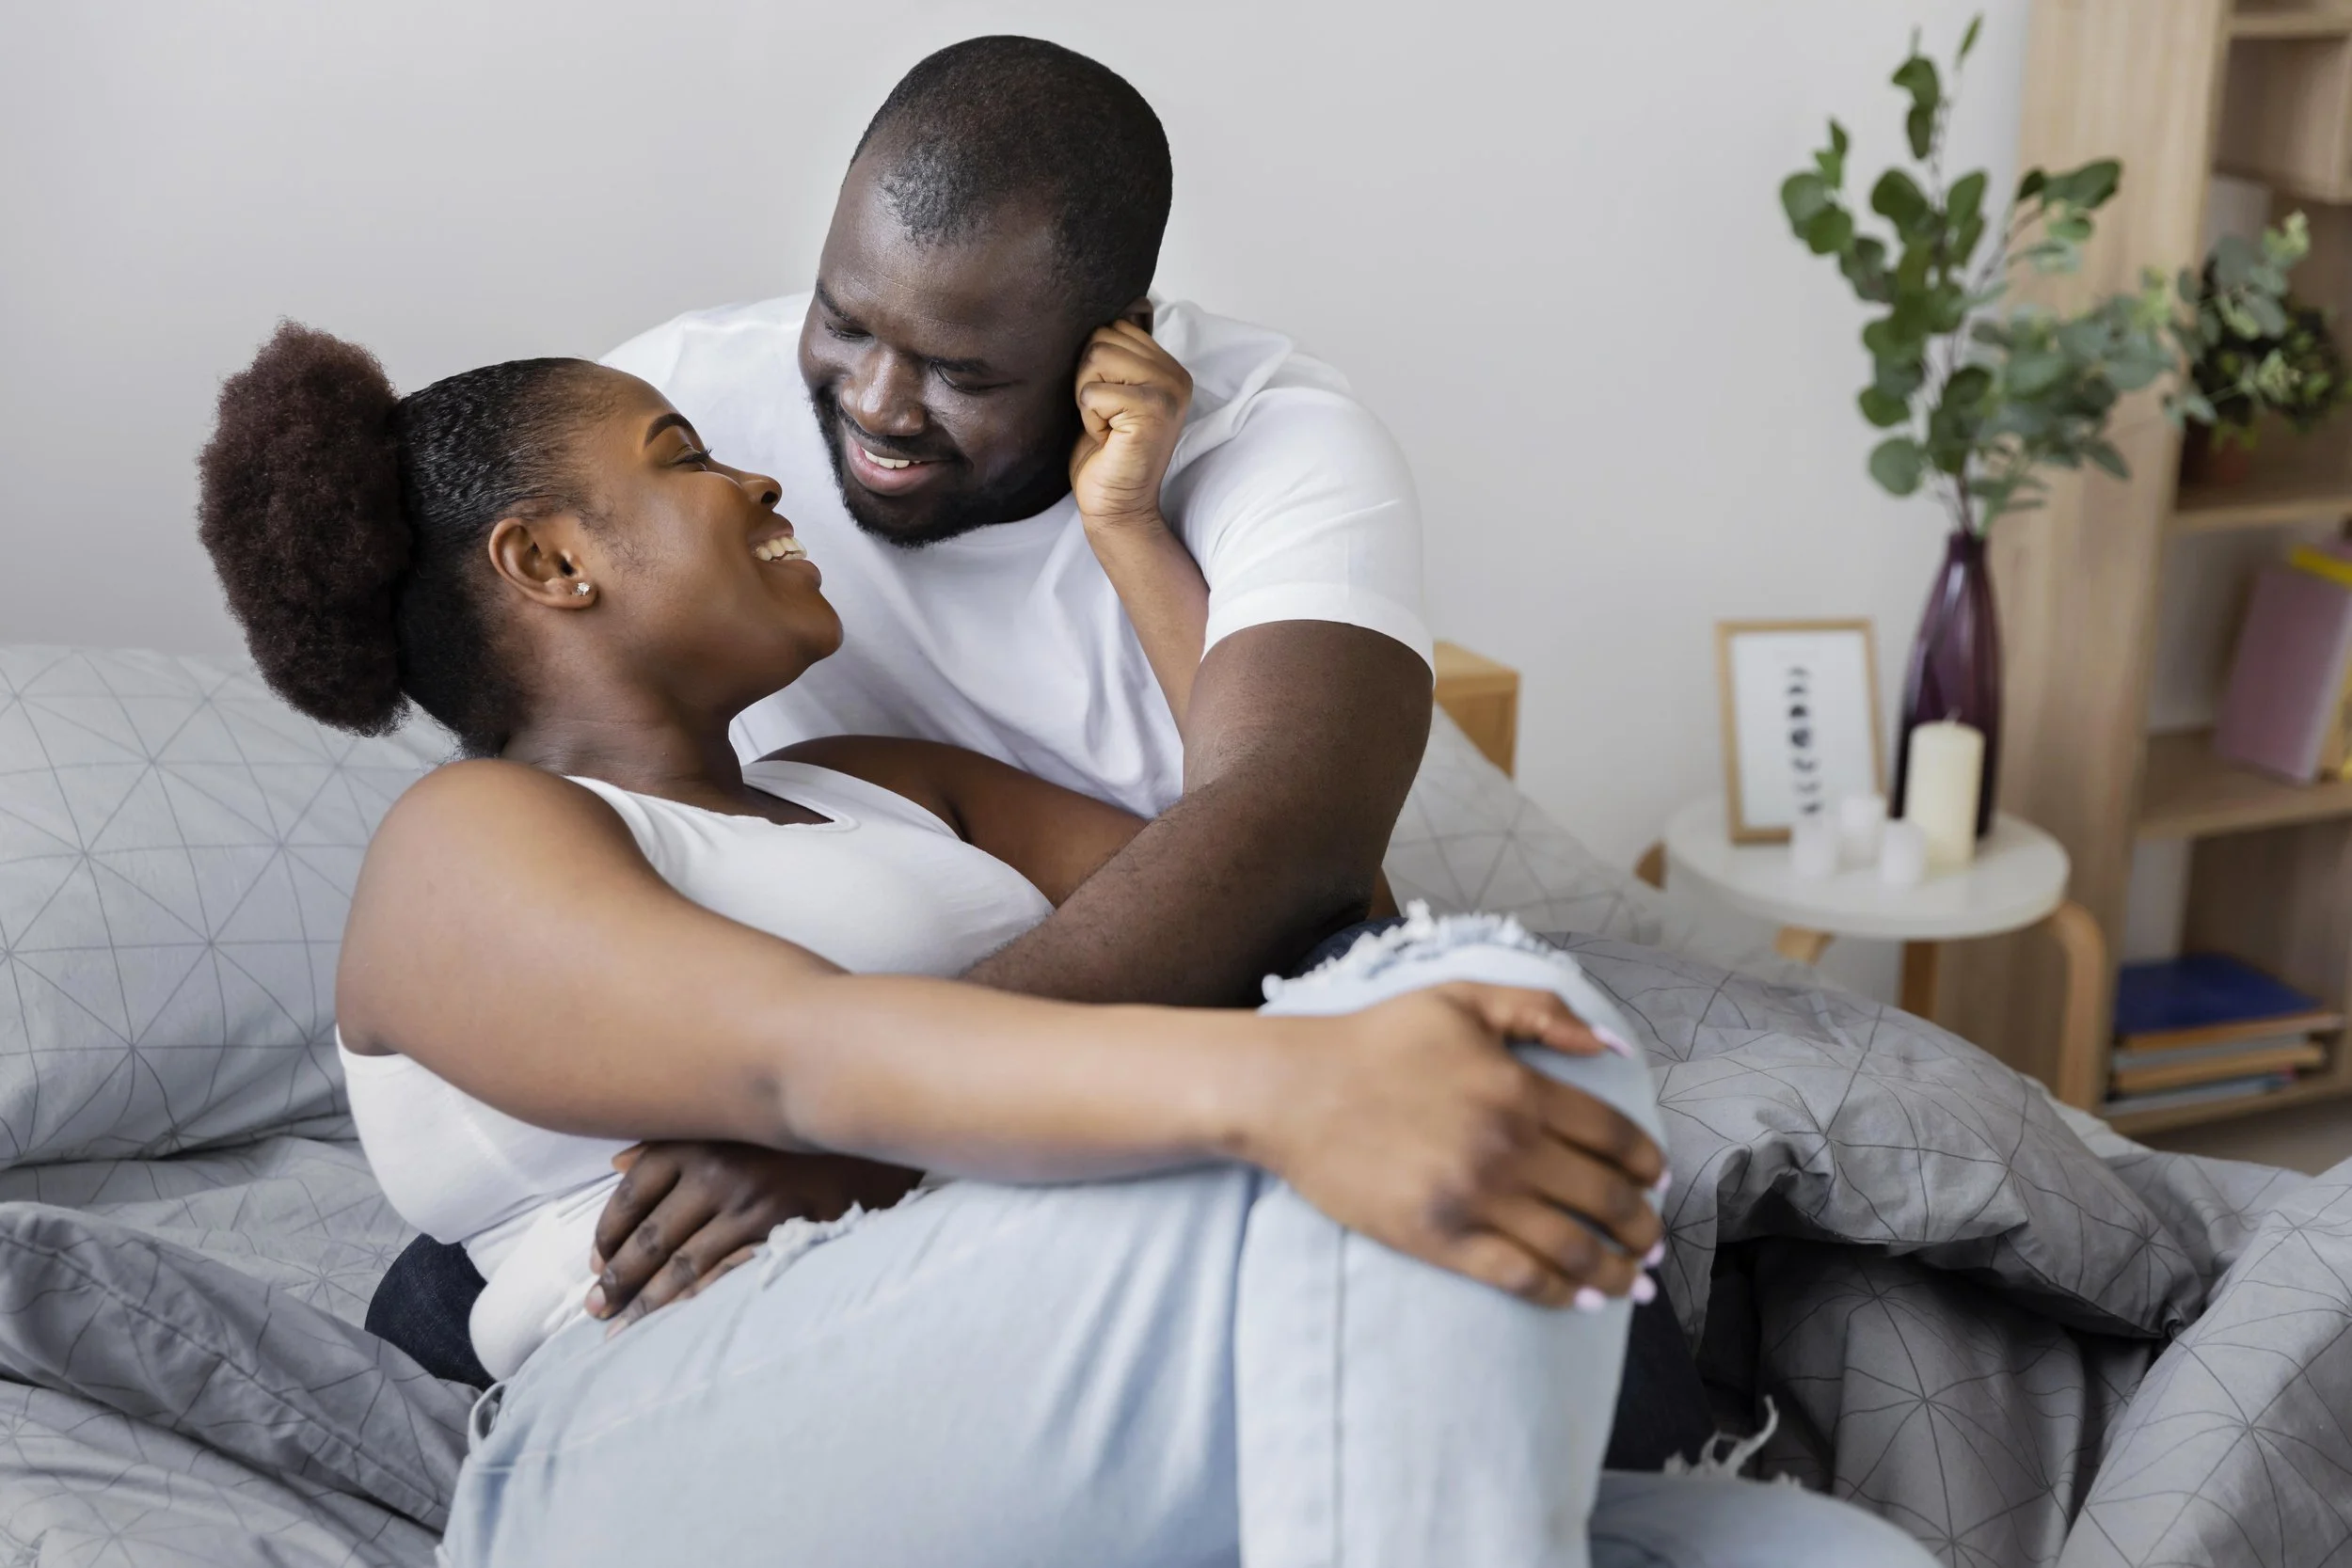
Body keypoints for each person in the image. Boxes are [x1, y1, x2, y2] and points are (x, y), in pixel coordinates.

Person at [194, 321, 1938, 1568]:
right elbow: (800, 1055)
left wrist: (1128, 532)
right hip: (667, 1425)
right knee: (1442, 1052)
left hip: (1037, 1343)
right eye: (680, 459)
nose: (752, 479)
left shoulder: (876, 787)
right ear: (547, 561)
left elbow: (1295, 899)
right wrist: (1287, 1088)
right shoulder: (471, 842)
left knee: (1817, 1522)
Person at [363, 29, 1716, 1470]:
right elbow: (537, 762)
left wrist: (1128, 528)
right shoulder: (643, 428)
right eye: (842, 321)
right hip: (795, 1124)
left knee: (1464, 1030)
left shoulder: (1271, 454)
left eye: (957, 370)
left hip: (1125, 1010)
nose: (872, 406)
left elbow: (1298, 851)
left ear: (1111, 332)